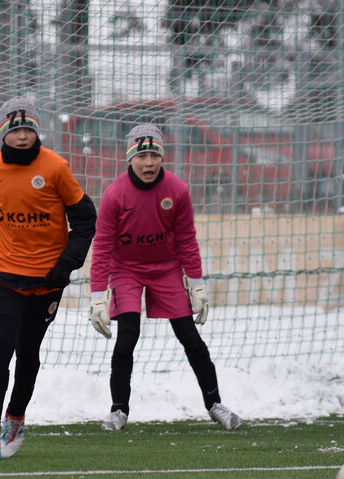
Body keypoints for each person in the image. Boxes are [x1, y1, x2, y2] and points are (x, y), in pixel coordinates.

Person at [0, 98, 96, 461]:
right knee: (0, 346)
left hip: (48, 278)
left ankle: (14, 417)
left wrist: (67, 265)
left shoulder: (56, 167)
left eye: (27, 129)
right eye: (14, 130)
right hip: (5, 272)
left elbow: (85, 218)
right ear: (3, 132)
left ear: (37, 132)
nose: (21, 136)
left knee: (27, 352)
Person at [88, 123, 241, 432]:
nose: (149, 162)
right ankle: (118, 410)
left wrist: (196, 283)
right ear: (130, 158)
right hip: (126, 269)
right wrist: (96, 296)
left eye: (154, 154)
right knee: (128, 334)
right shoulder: (115, 194)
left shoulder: (177, 190)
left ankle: (215, 404)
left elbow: (187, 239)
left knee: (188, 334)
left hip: (166, 268)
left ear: (162, 157)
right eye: (142, 155)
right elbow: (102, 246)